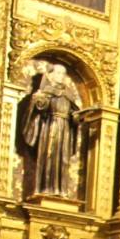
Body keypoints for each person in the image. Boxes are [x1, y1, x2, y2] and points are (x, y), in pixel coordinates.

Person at [23, 62, 82, 198]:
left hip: (65, 129)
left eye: (63, 73)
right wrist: (39, 99)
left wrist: (76, 116)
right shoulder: (47, 90)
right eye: (59, 73)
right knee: (49, 156)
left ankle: (61, 190)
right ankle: (45, 188)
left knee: (63, 159)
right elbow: (40, 108)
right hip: (51, 126)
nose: (61, 76)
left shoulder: (68, 94)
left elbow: (74, 114)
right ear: (52, 75)